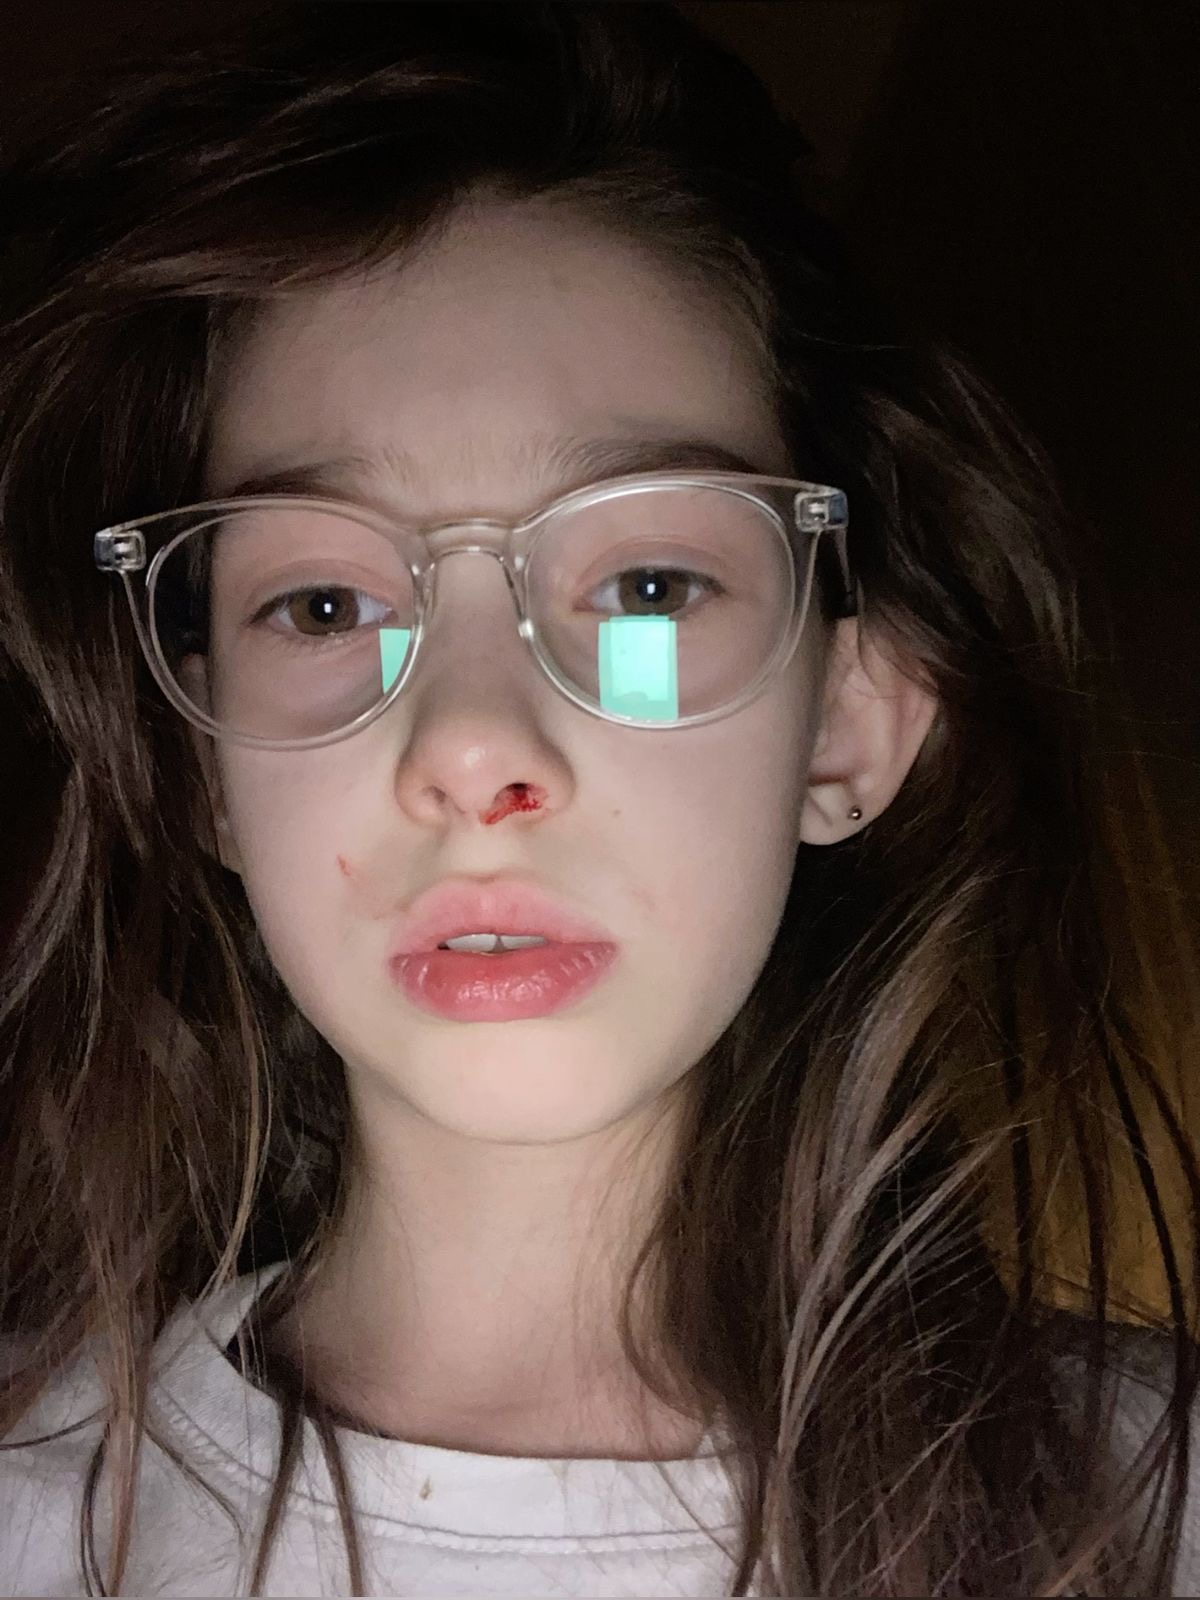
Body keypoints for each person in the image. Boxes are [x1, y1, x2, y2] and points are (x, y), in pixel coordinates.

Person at [1, 2, 1197, 1594]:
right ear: (202, 766)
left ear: (849, 725)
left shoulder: (1162, 1503)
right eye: (325, 605)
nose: (473, 748)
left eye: (645, 585)